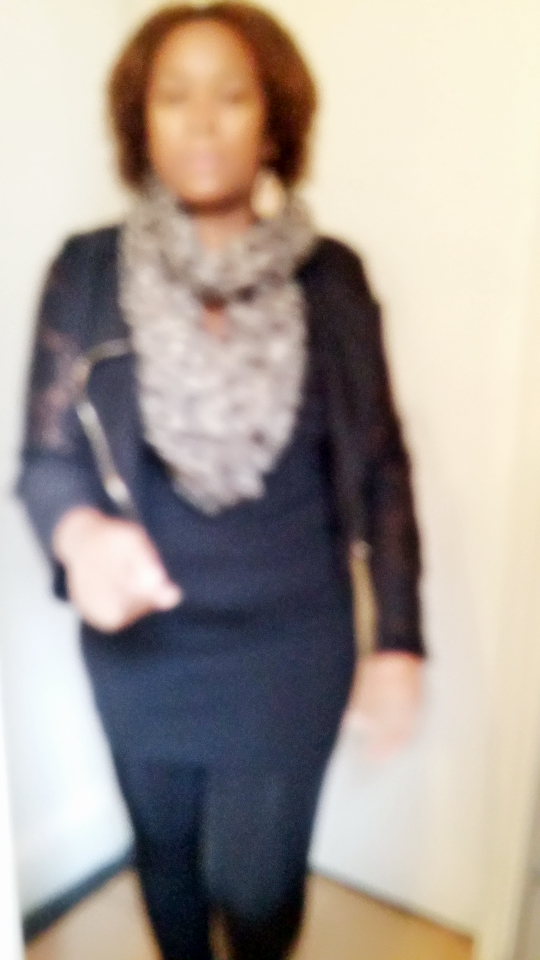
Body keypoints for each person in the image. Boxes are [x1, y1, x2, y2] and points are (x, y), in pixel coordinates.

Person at [18, 4, 426, 959]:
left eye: (232, 96)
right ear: (141, 121)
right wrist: (80, 535)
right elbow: (46, 459)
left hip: (291, 645)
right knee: (164, 862)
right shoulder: (86, 272)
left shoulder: (332, 281)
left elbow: (382, 467)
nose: (202, 122)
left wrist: (399, 641)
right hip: (141, 648)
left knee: (256, 885)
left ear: (274, 122)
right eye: (174, 97)